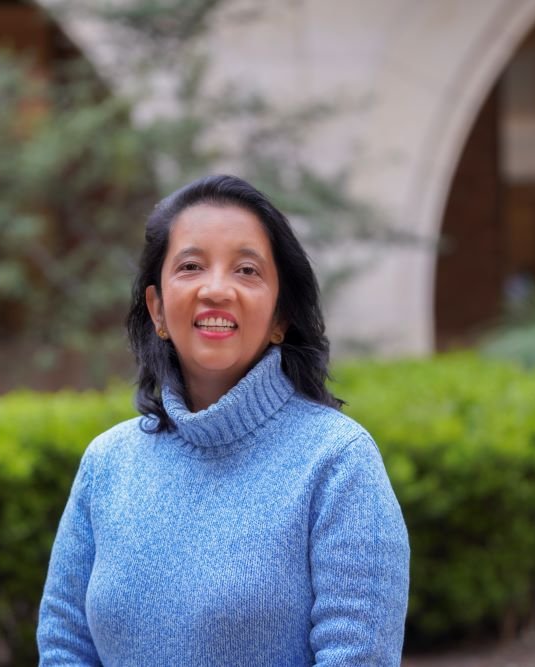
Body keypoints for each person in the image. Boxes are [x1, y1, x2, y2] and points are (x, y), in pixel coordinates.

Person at [36, 174, 410, 666]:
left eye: (247, 270)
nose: (217, 289)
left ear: (281, 318)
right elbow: (65, 648)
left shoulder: (338, 463)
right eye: (191, 266)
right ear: (158, 310)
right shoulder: (107, 464)